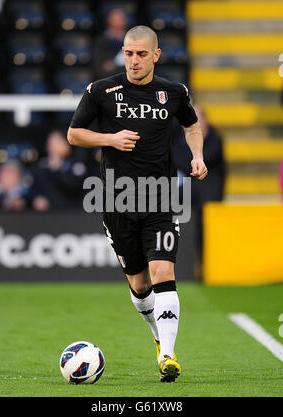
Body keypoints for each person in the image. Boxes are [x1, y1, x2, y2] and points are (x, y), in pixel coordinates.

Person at [67, 25, 207, 383]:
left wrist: (197, 156)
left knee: (163, 273)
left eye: (141, 54)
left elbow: (192, 125)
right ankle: (158, 337)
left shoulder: (173, 93)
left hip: (160, 197)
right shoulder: (101, 90)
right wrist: (110, 138)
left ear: (156, 56)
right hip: (117, 199)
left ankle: (168, 354)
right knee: (140, 284)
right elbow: (74, 133)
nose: (133, 60)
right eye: (128, 53)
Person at [173, 105, 225, 277]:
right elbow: (175, 157)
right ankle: (182, 263)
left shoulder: (215, 140)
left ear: (205, 120)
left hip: (208, 193)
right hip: (186, 191)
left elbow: (206, 159)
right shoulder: (178, 139)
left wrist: (192, 161)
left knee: (204, 224)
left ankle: (204, 264)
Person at [31, 129, 87, 211]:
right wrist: (37, 198)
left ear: (67, 144)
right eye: (50, 142)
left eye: (56, 141)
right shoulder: (42, 167)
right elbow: (34, 188)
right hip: (48, 215)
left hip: (73, 213)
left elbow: (74, 189)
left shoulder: (77, 166)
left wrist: (58, 170)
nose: (51, 145)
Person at [92, 8, 127, 79]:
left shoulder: (132, 41)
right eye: (116, 20)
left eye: (121, 19)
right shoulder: (100, 41)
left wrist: (113, 66)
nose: (119, 22)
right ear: (109, 21)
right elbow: (99, 68)